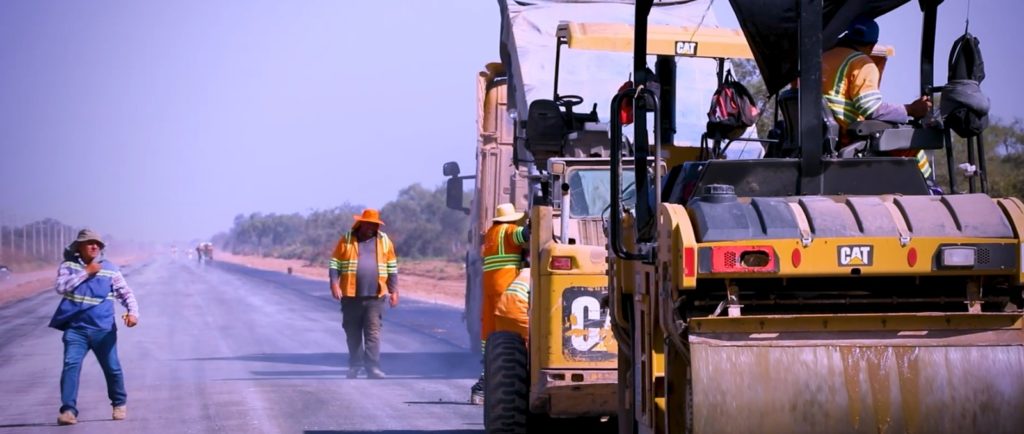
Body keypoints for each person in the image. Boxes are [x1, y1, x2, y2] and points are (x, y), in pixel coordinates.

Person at [823, 16, 935, 179]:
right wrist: (911, 109)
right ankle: (928, 187)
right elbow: (871, 109)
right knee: (909, 144)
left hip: (824, 135)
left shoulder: (824, 57)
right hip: (847, 137)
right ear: (872, 46)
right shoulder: (862, 63)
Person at [49, 229, 139, 426]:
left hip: (103, 330)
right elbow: (61, 287)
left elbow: (125, 293)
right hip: (76, 330)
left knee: (112, 368)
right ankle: (68, 410)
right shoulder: (69, 267)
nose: (94, 246)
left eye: (97, 244)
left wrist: (133, 313)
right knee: (70, 366)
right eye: (89, 243)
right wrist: (85, 273)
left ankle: (119, 403)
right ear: (79, 247)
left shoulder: (110, 269)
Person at [329, 209, 399, 379]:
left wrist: (394, 291)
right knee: (352, 332)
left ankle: (373, 368)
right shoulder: (346, 239)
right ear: (361, 223)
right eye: (370, 224)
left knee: (372, 332)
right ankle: (355, 366)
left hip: (375, 296)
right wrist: (334, 284)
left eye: (375, 224)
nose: (373, 227)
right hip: (351, 296)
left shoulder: (384, 241)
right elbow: (334, 263)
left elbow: (392, 267)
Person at [471, 203, 529, 403]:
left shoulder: (490, 233)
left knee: (490, 335)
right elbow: (527, 235)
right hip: (506, 290)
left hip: (490, 290)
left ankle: (481, 385)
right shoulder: (510, 231)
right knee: (511, 337)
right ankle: (485, 383)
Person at [493, 260, 531, 343]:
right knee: (534, 343)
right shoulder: (537, 275)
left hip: (500, 312)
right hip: (518, 313)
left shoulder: (523, 272)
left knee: (504, 342)